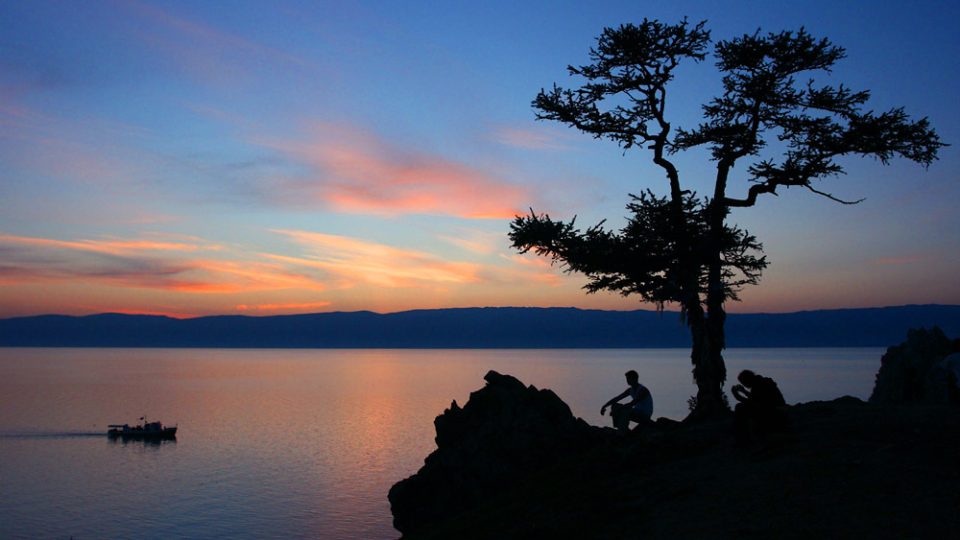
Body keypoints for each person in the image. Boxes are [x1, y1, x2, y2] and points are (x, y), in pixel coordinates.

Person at [732, 369, 786, 443]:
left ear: (747, 380)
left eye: (743, 383)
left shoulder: (758, 386)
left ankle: (742, 439)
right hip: (778, 410)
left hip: (773, 412)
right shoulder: (762, 382)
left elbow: (752, 403)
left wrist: (736, 395)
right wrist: (744, 391)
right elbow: (756, 398)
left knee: (740, 407)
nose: (744, 385)